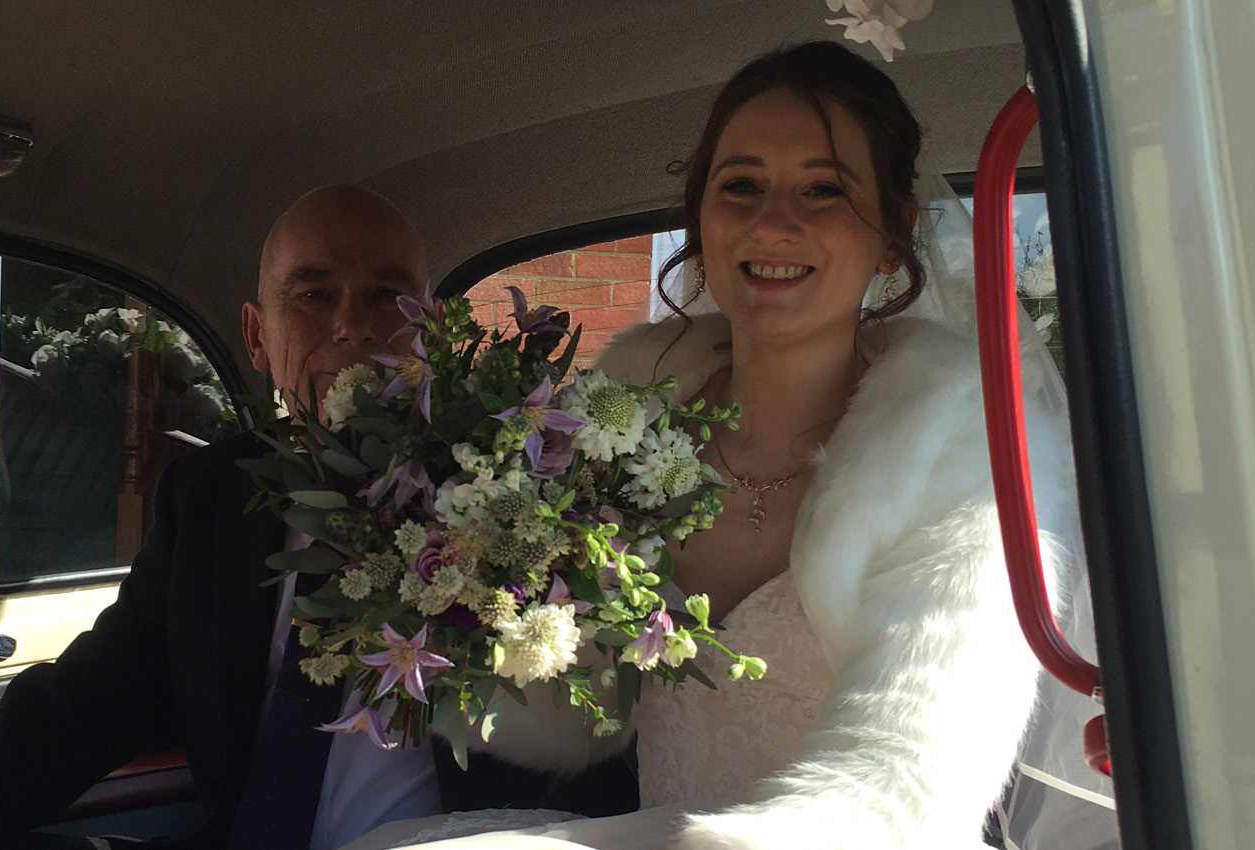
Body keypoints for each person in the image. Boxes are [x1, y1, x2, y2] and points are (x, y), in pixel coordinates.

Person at [337, 41, 1106, 850]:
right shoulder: (616, 417)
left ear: (893, 233)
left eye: (824, 189)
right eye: (740, 186)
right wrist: (461, 601)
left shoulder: (968, 455)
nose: (775, 221)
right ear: (701, 219)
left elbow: (912, 782)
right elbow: (571, 709)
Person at [0, 185, 637, 850]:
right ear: (257, 336)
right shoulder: (209, 497)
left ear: (428, 332)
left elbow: (604, 746)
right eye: (314, 293)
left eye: (385, 296)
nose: (352, 325)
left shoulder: (518, 489)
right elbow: (81, 706)